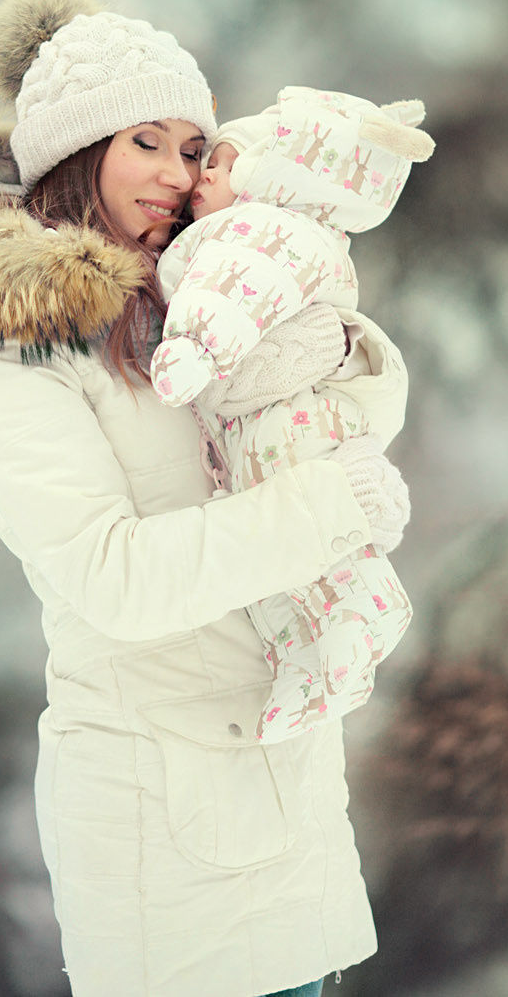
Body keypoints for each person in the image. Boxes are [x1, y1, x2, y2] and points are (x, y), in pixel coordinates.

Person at [0, 0, 411, 997]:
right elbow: (110, 577)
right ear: (75, 152)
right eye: (140, 141)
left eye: (191, 147)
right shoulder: (2, 338)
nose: (171, 170)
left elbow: (295, 423)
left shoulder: (186, 290)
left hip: (282, 798)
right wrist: (328, 510)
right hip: (164, 829)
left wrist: (334, 345)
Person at [150, 86, 435, 744]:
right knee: (281, 568)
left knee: (314, 556)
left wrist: (194, 347)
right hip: (268, 435)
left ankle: (356, 633)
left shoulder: (262, 233)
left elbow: (238, 297)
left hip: (293, 432)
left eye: (218, 163)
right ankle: (309, 670)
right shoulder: (274, 230)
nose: (201, 178)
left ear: (266, 178)